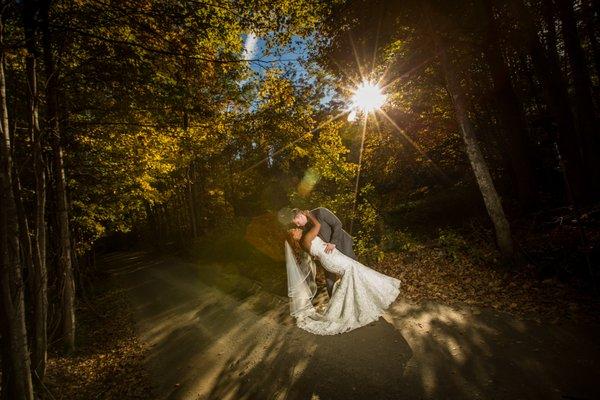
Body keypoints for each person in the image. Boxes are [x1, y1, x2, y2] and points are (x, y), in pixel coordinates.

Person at [285, 210, 401, 335]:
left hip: (340, 247)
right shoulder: (307, 230)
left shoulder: (320, 212)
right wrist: (309, 218)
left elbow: (337, 224)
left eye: (297, 222)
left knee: (353, 274)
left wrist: (331, 243)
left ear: (299, 214)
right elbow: (316, 229)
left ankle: (349, 306)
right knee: (349, 274)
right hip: (330, 257)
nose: (297, 226)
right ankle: (342, 310)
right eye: (295, 227)